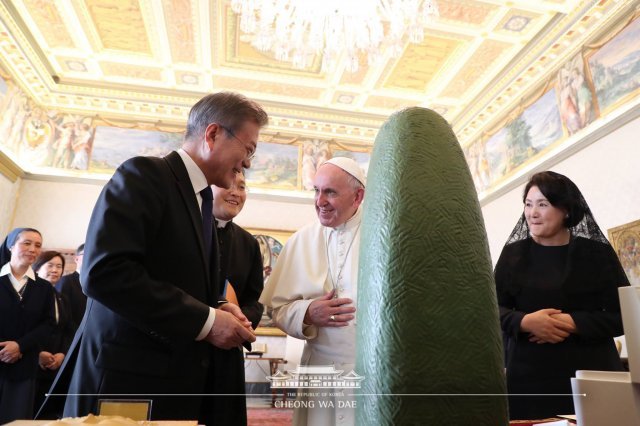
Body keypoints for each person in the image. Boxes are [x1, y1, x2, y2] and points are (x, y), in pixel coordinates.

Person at [49, 92, 267, 421]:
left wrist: (219, 307)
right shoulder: (146, 176)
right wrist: (207, 322)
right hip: (129, 381)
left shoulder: (202, 201)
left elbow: (173, 275)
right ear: (213, 134)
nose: (248, 163)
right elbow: (105, 272)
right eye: (248, 149)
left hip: (171, 380)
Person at [494, 171, 630, 419]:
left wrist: (573, 322)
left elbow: (623, 316)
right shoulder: (514, 256)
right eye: (528, 204)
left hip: (591, 373)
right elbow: (491, 310)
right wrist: (525, 322)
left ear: (565, 210)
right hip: (530, 381)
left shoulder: (595, 254)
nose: (532, 213)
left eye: (543, 204)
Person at [260, 157, 365, 426]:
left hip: (372, 370)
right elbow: (277, 309)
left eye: (330, 192)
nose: (319, 201)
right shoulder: (301, 241)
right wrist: (307, 312)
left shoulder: (384, 235)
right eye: (316, 191)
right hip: (321, 368)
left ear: (358, 196)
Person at [205, 171, 264, 426]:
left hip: (228, 354)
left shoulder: (248, 243)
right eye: (228, 184)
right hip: (187, 348)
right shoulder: (187, 230)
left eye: (242, 187)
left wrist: (241, 320)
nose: (236, 192)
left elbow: (255, 300)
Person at [0, 228, 54, 424]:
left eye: (38, 245)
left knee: (15, 420)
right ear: (11, 245)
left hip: (24, 366)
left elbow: (48, 324)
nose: (33, 249)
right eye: (26, 243)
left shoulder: (44, 288)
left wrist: (20, 346)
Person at [32, 251, 76, 419]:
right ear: (37, 268)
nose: (55, 270)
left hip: (55, 363)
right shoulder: (29, 295)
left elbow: (68, 330)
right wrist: (38, 353)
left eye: (59, 266)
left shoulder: (62, 298)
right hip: (33, 362)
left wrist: (62, 354)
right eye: (50, 265)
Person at [56, 244, 87, 327]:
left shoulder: (98, 283)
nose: (90, 258)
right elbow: (62, 314)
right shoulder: (66, 281)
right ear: (76, 259)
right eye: (86, 254)